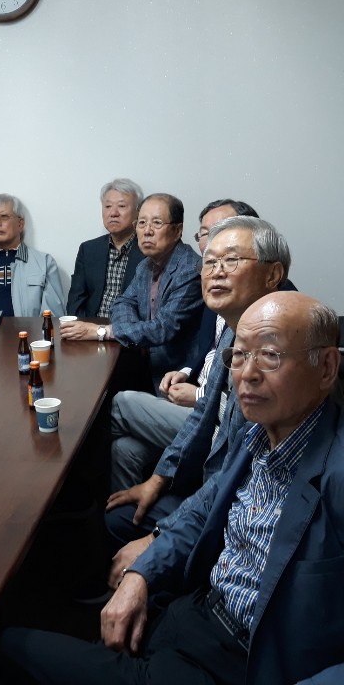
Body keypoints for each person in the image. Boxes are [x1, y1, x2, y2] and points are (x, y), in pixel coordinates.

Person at [0, 291, 344, 684]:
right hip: (192, 611)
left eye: (271, 356)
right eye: (238, 356)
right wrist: (141, 577)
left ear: (326, 368)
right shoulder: (259, 432)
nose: (247, 375)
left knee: (5, 647)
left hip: (240, 661)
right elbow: (203, 510)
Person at [106, 217, 289, 537]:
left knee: (119, 407)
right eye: (210, 261)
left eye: (231, 260)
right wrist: (158, 481)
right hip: (216, 482)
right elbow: (202, 416)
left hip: (245, 513)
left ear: (272, 275)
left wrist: (160, 536)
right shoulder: (233, 330)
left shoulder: (271, 351)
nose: (216, 271)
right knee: (123, 466)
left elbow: (238, 474)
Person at [61, 193, 203, 391]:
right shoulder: (146, 265)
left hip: (175, 378)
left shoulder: (190, 268)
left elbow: (163, 328)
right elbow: (122, 302)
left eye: (157, 223)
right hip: (142, 364)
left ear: (177, 230)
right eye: (142, 223)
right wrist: (133, 331)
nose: (147, 231)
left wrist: (102, 331)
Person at [0, 194, 65, 317]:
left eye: (4, 217)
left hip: (28, 329)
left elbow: (52, 317)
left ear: (20, 224)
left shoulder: (44, 263)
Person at [67, 178, 145, 318]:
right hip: (90, 327)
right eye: (108, 206)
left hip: (131, 328)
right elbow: (75, 301)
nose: (113, 213)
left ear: (138, 212)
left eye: (122, 206)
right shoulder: (88, 249)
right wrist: (83, 327)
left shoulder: (148, 250)